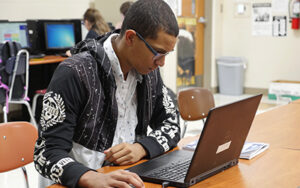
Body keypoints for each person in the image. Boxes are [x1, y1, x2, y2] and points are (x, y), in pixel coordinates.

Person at [34, 0, 180, 187]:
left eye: (166, 54)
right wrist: (91, 177)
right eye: (158, 52)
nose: (161, 63)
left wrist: (142, 147)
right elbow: (46, 153)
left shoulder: (149, 72)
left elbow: (172, 123)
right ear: (130, 38)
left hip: (126, 177)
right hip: (77, 181)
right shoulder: (74, 72)